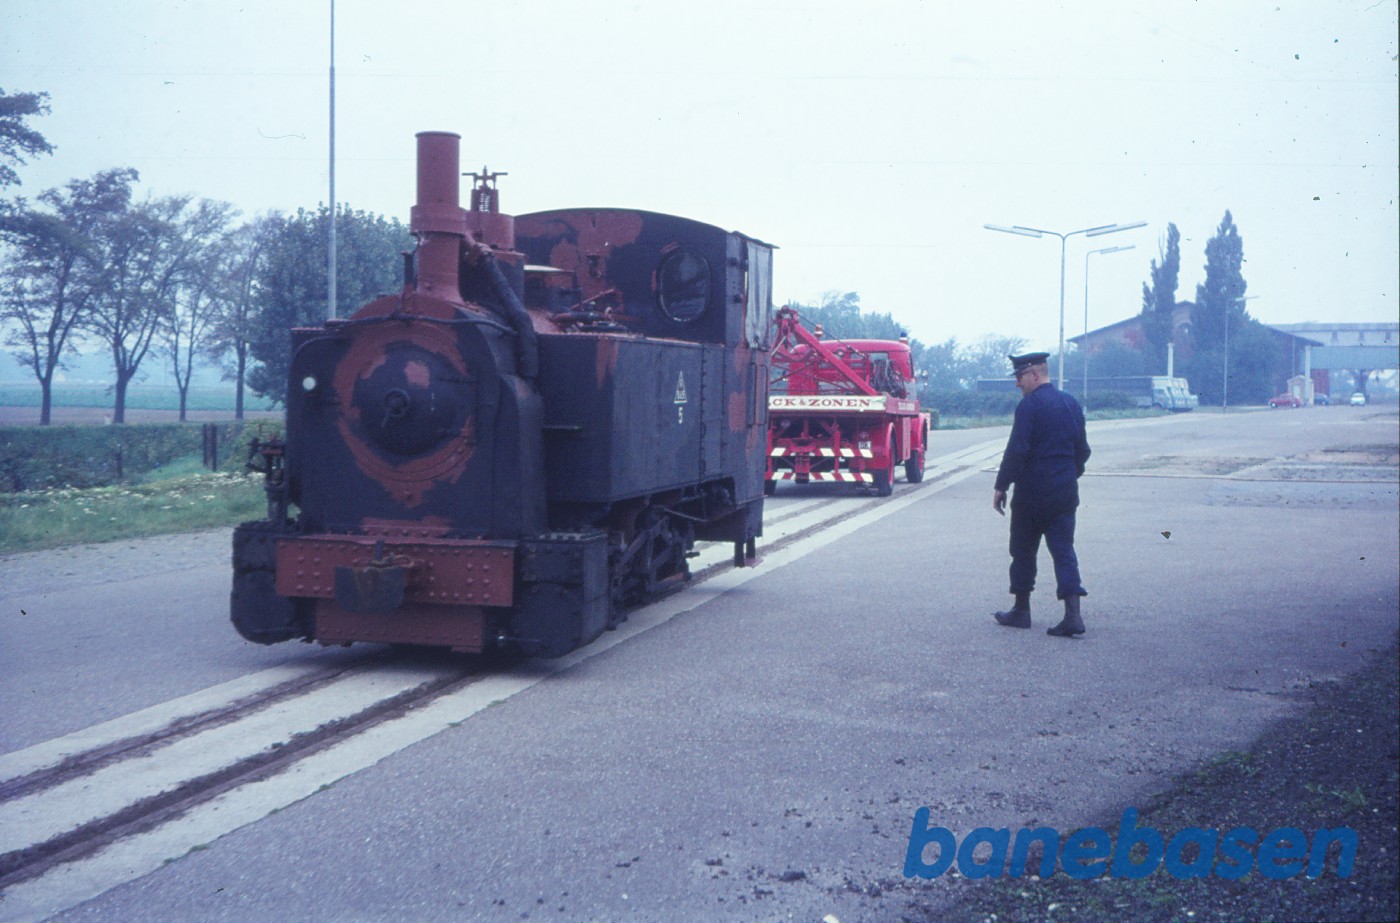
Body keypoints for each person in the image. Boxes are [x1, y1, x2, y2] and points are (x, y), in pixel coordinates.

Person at [991, 352, 1091, 637]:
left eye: (1020, 377)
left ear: (1035, 374)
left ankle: (1021, 610)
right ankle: (1073, 615)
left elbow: (1017, 450)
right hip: (1064, 493)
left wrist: (1002, 485)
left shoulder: (1029, 406)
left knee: (1022, 551)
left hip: (1032, 495)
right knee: (1064, 551)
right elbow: (1083, 450)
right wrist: (1069, 475)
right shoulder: (1071, 403)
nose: (1017, 384)